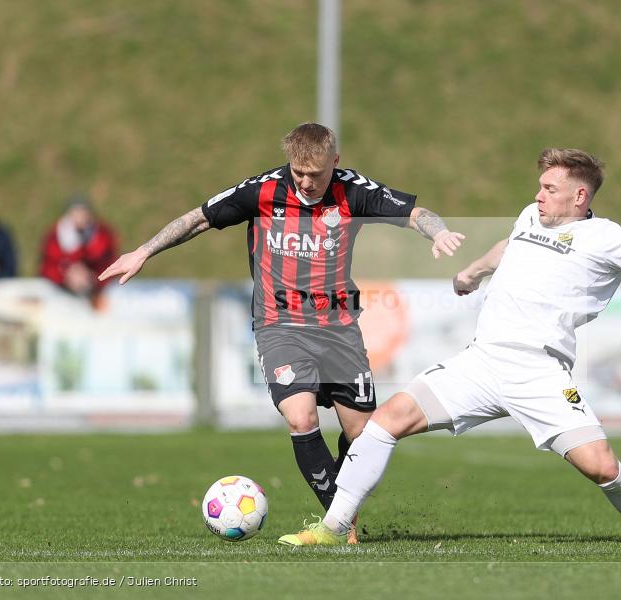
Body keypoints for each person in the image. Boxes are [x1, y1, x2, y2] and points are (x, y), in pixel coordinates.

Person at [278, 147, 621, 546]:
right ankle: (333, 528)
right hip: (482, 362)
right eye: (540, 185)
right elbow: (509, 246)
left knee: (602, 468)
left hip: (540, 373)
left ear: (580, 196)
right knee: (387, 419)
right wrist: (473, 273)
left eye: (550, 188)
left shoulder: (607, 238)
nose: (539, 194)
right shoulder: (531, 217)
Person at [98, 123, 464, 544]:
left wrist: (438, 231)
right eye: (299, 173)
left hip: (339, 329)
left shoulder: (353, 190)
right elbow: (198, 219)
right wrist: (143, 251)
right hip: (279, 326)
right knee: (301, 416)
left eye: (317, 174)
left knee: (364, 435)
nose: (307, 183)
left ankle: (343, 512)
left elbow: (415, 213)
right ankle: (341, 523)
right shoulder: (263, 190)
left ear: (336, 163)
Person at [40, 197, 118, 303]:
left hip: (95, 292)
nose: (80, 218)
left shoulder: (102, 235)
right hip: (62, 291)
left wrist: (94, 276)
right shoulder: (55, 236)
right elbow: (48, 267)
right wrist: (67, 274)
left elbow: (109, 263)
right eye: (76, 213)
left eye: (83, 213)